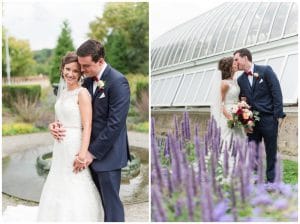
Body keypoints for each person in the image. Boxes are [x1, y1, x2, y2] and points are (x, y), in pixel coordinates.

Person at [2, 52, 103, 222]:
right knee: (58, 180)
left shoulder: (82, 93)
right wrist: (52, 126)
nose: (70, 74)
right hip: (60, 146)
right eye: (67, 69)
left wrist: (82, 154)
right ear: (62, 69)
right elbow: (59, 119)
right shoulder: (62, 93)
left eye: (76, 71)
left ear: (81, 74)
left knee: (76, 180)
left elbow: (88, 126)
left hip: (75, 145)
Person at [51, 39, 131, 222]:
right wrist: (55, 125)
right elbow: (78, 114)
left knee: (111, 206)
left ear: (100, 61)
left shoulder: (118, 82)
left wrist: (91, 153)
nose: (82, 70)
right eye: (81, 65)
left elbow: (115, 124)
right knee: (93, 204)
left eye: (85, 66)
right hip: (83, 149)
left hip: (107, 155)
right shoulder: (87, 83)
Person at [234, 48, 285, 183]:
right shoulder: (240, 80)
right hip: (252, 121)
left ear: (245, 58)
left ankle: (272, 181)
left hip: (269, 118)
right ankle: (256, 178)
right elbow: (242, 102)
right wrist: (245, 122)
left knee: (271, 150)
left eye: (236, 59)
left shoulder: (266, 71)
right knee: (253, 151)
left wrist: (278, 116)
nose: (235, 62)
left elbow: (276, 92)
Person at [218, 56, 245, 145]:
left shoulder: (235, 81)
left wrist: (242, 108)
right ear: (229, 67)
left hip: (236, 112)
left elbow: (236, 99)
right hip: (228, 114)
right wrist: (230, 118)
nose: (236, 64)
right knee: (229, 140)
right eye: (234, 63)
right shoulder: (224, 83)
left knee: (239, 139)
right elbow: (219, 104)